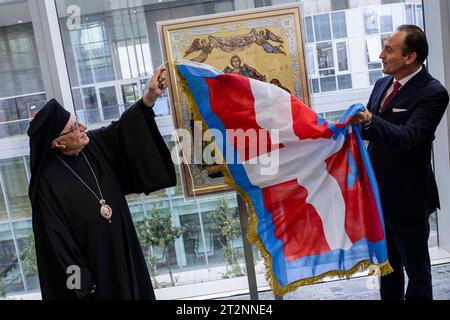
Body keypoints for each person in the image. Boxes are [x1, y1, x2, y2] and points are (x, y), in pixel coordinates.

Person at [27, 68, 176, 300]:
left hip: (123, 249)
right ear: (57, 143)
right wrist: (79, 282)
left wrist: (150, 97)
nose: (83, 128)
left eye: (78, 121)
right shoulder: (47, 183)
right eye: (74, 128)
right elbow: (55, 242)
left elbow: (125, 128)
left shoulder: (94, 144)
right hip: (94, 271)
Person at [353, 25, 449, 300]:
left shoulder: (434, 93)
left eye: (389, 49)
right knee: (388, 270)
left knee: (418, 273)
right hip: (378, 195)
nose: (381, 55)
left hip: (409, 198)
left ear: (410, 57)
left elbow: (409, 138)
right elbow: (369, 132)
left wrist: (370, 120)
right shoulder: (382, 84)